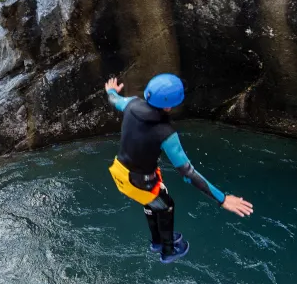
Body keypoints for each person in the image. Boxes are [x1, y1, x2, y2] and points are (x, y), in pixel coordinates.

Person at [105, 73, 254, 261]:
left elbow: (113, 99)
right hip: (140, 184)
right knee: (166, 206)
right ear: (169, 105)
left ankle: (157, 241)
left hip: (120, 172)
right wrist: (222, 199)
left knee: (152, 203)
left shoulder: (131, 103)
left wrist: (111, 90)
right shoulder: (166, 133)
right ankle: (168, 251)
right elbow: (188, 173)